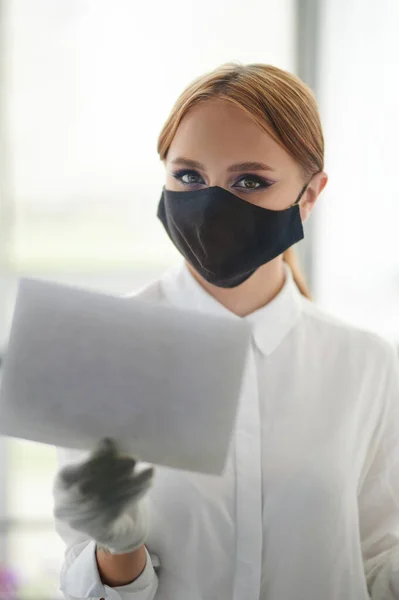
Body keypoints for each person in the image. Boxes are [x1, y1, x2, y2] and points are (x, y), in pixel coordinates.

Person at [53, 63, 399, 600]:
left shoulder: (368, 366)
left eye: (250, 181)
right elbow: (85, 585)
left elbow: (381, 563)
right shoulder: (106, 351)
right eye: (188, 176)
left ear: (310, 195)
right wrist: (116, 548)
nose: (212, 205)